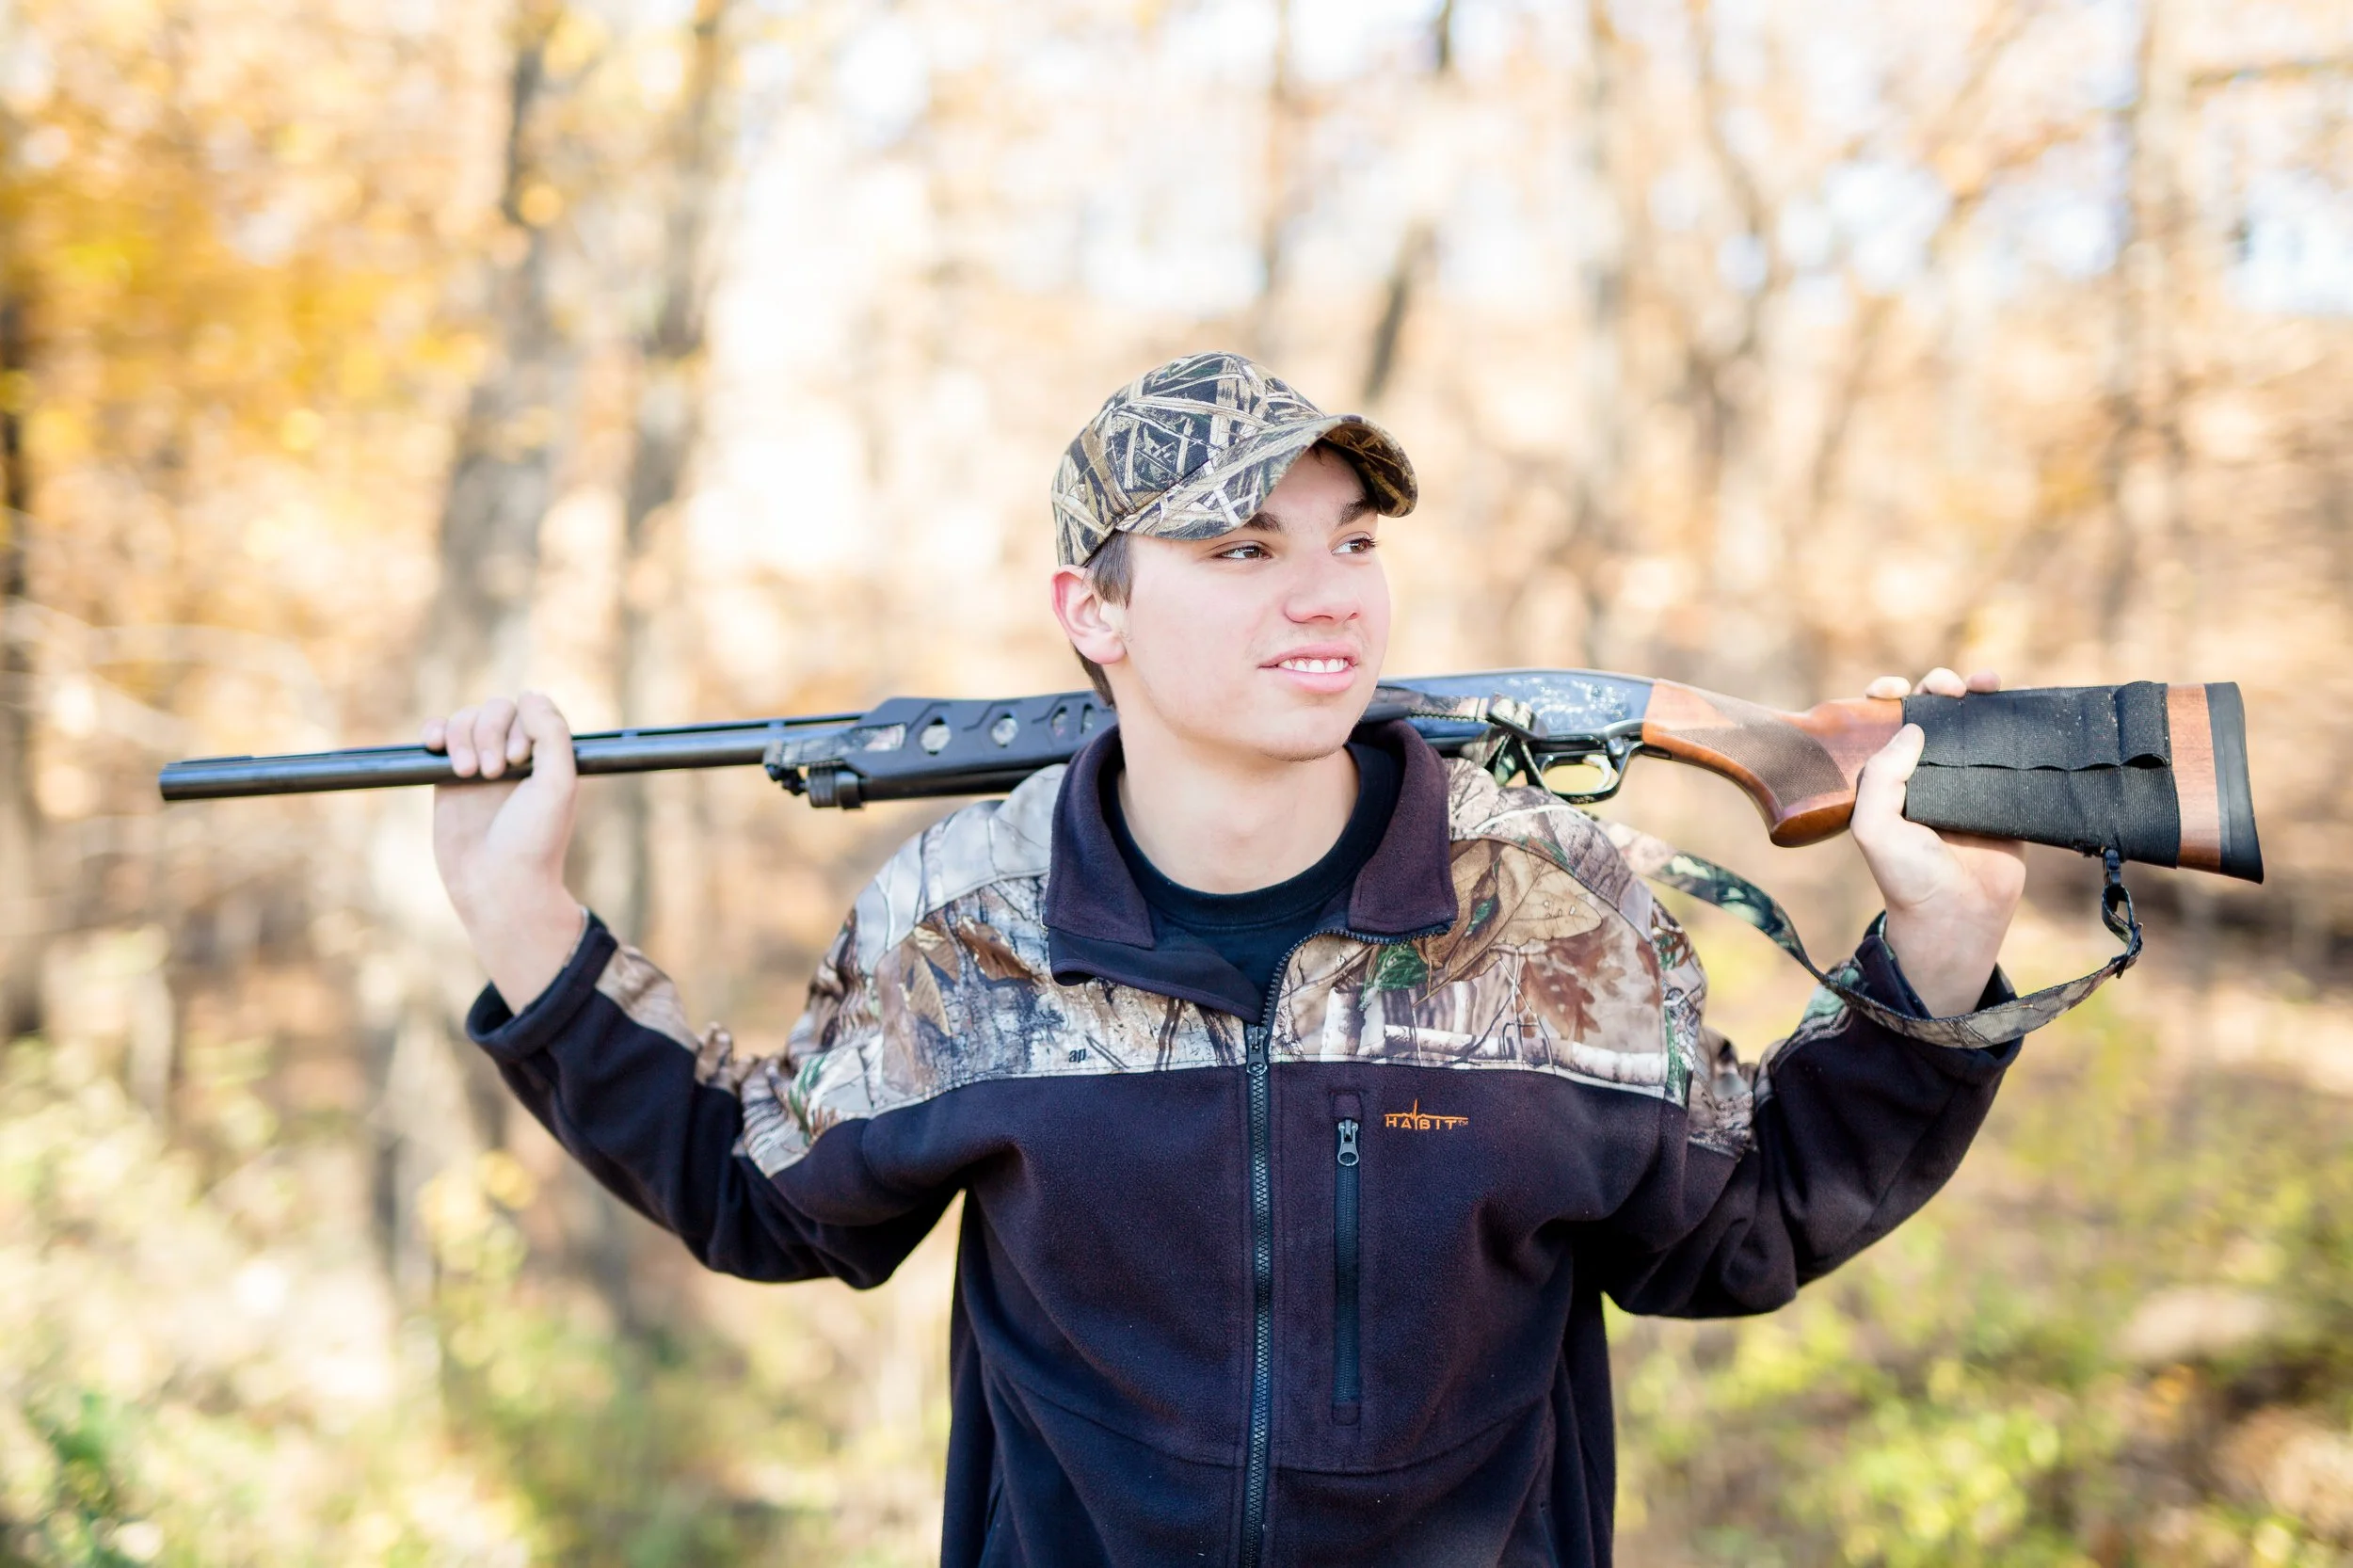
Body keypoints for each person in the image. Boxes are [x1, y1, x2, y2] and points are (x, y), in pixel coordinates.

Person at [425, 351, 2029, 1568]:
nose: (1325, 596)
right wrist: (529, 929)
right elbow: (768, 1197)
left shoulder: (1546, 893)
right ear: (1096, 612)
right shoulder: (968, 913)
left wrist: (1938, 963)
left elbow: (1730, 1231)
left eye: (1350, 542)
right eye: (1243, 552)